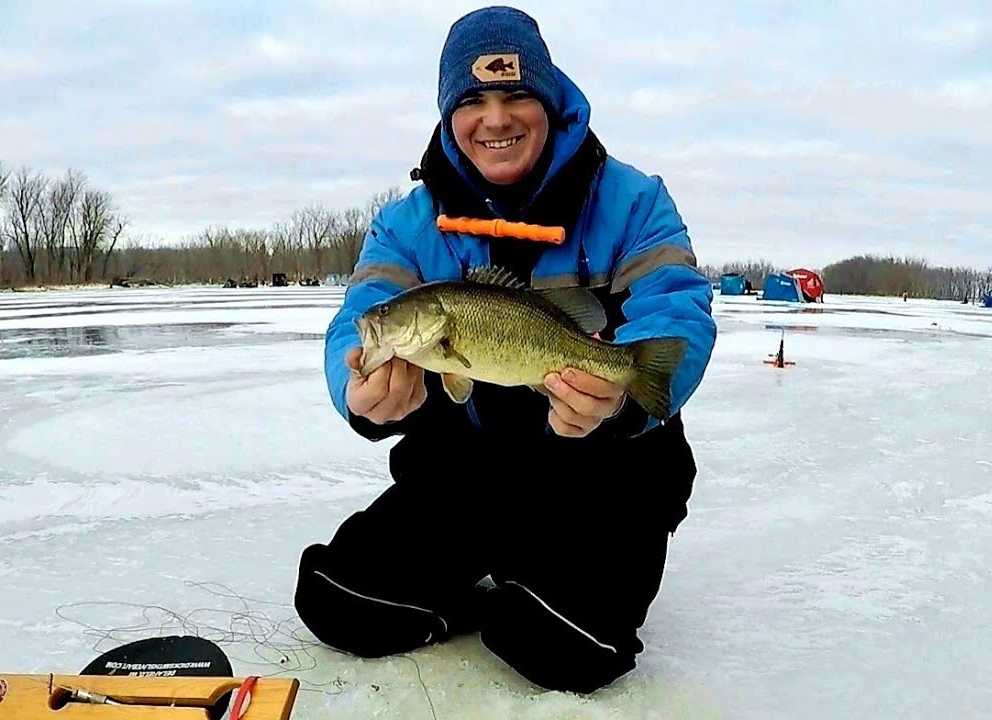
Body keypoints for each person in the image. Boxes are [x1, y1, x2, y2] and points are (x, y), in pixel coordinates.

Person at [293, 5, 717, 695]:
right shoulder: (409, 223)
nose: (496, 119)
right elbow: (361, 318)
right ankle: (488, 571)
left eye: (516, 94)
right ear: (448, 116)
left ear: (549, 101)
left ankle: (546, 577)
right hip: (472, 477)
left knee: (564, 648)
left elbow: (677, 306)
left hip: (602, 477)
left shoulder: (635, 201)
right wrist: (358, 389)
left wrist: (619, 397)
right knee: (338, 601)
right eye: (473, 100)